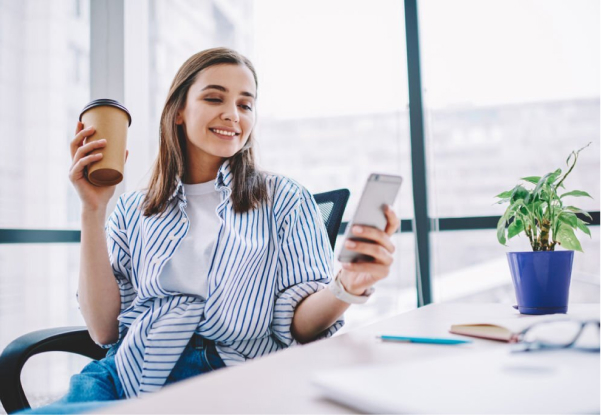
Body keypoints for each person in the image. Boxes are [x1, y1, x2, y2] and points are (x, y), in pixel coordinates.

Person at [21, 47, 400, 414]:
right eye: (215, 98)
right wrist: (93, 209)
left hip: (234, 376)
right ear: (179, 111)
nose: (232, 114)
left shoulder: (285, 199)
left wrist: (347, 285)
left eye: (245, 104)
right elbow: (104, 331)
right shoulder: (133, 209)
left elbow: (298, 325)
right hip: (126, 373)